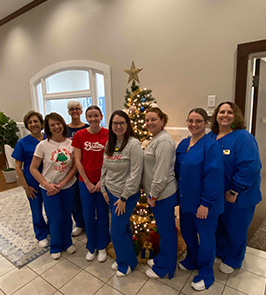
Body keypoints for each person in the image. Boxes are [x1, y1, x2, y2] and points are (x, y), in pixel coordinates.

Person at [208, 101, 262, 274]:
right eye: (221, 111)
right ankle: (221, 251)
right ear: (216, 115)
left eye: (229, 112)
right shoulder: (210, 137)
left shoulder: (243, 137)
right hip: (218, 194)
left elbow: (250, 166)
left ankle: (234, 259)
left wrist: (235, 190)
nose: (225, 115)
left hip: (239, 196)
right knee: (220, 225)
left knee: (235, 227)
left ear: (236, 116)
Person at [175, 108, 224, 291]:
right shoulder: (183, 144)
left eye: (198, 121)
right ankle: (192, 259)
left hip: (204, 204)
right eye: (190, 121)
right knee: (187, 233)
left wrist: (205, 204)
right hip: (186, 201)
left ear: (206, 123)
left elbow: (214, 176)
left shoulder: (212, 146)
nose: (193, 124)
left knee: (205, 239)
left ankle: (206, 273)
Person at [101, 110, 143, 277]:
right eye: (115, 123)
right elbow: (104, 167)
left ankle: (126, 263)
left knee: (116, 230)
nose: (118, 126)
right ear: (111, 126)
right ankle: (126, 258)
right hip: (110, 191)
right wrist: (104, 188)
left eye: (121, 123)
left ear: (127, 125)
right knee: (123, 227)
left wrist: (124, 197)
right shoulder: (110, 143)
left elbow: (136, 173)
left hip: (126, 195)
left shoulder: (133, 144)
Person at [30, 112, 77, 260]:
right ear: (48, 128)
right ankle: (55, 245)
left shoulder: (71, 144)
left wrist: (63, 183)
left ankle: (67, 242)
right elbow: (33, 168)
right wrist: (47, 185)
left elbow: (75, 167)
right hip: (49, 189)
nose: (56, 127)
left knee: (67, 216)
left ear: (63, 125)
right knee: (54, 217)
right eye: (52, 125)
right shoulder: (42, 145)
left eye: (58, 123)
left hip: (68, 186)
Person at [142, 107, 178, 280]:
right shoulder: (156, 139)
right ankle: (162, 259)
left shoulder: (163, 142)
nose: (149, 123)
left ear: (162, 120)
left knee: (167, 232)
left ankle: (164, 268)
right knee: (165, 231)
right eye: (147, 120)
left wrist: (153, 195)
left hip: (163, 194)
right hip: (159, 194)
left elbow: (161, 174)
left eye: (153, 119)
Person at [72, 105, 110, 262]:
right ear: (86, 118)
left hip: (103, 181)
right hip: (84, 182)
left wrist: (102, 180)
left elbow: (110, 159)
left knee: (102, 214)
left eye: (96, 115)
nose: (93, 119)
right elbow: (77, 161)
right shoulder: (80, 135)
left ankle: (102, 246)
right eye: (90, 116)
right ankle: (91, 246)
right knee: (88, 214)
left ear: (101, 116)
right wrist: (87, 182)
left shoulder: (108, 134)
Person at [12, 111, 49, 248]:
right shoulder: (22, 143)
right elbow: (17, 166)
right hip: (32, 181)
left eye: (36, 121)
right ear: (27, 125)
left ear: (41, 123)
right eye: (30, 122)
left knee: (51, 208)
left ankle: (52, 230)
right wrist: (25, 186)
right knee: (36, 209)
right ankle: (41, 234)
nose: (33, 124)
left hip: (49, 180)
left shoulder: (49, 138)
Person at [67, 100, 89, 237]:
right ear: (68, 112)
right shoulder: (65, 129)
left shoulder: (88, 127)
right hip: (70, 168)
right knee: (75, 198)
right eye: (72, 109)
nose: (74, 111)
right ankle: (80, 223)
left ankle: (89, 222)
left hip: (86, 167)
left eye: (77, 108)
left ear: (81, 111)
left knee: (87, 198)